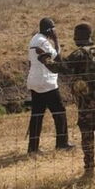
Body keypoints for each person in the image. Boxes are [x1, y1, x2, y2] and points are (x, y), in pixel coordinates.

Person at [35, 23, 95, 178]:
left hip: (87, 104)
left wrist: (44, 58)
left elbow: (60, 68)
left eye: (75, 35)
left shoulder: (79, 54)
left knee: (87, 136)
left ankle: (89, 169)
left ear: (79, 37)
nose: (74, 38)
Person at [26, 17, 75, 153]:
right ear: (50, 30)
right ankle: (62, 143)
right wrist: (56, 40)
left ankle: (33, 148)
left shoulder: (34, 39)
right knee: (59, 111)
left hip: (34, 81)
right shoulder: (44, 42)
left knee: (37, 114)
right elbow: (58, 57)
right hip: (46, 82)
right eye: (53, 28)